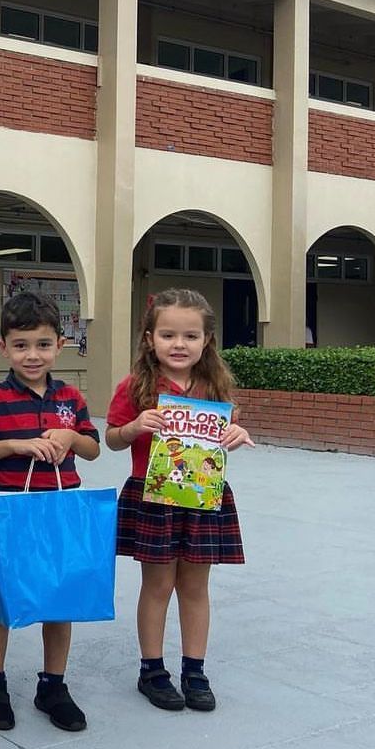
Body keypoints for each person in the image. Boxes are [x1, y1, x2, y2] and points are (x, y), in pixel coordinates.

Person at [104, 288, 253, 712]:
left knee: (195, 586)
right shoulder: (134, 386)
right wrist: (134, 427)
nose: (179, 344)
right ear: (149, 337)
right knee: (157, 586)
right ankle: (152, 669)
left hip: (203, 496)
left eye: (190, 336)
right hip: (153, 496)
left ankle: (194, 670)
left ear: (207, 340)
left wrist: (236, 436)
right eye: (168, 334)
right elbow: (112, 439)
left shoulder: (215, 386)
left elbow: (225, 437)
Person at [0, 292, 101, 732]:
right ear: (3, 347)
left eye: (42, 344)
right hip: (11, 509)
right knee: (0, 597)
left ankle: (52, 684)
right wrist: (18, 445)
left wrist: (69, 437)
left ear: (60, 345)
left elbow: (93, 448)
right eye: (21, 345)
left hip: (61, 507)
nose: (32, 355)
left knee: (61, 599)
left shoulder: (72, 398)